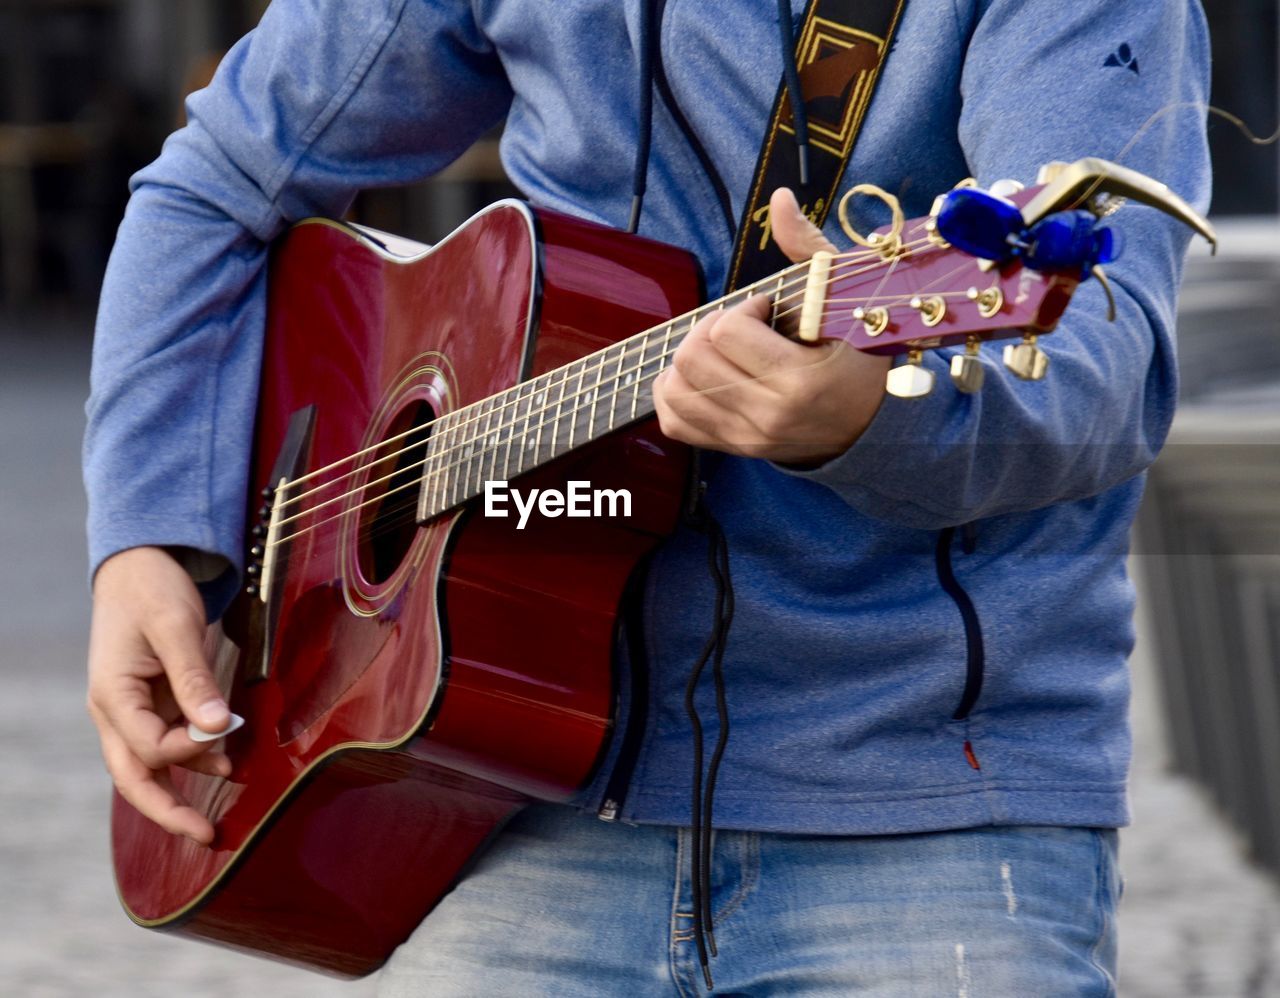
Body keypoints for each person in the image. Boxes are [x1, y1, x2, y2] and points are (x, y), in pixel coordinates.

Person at [84, 1, 1211, 994]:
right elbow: (213, 187)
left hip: (928, 812)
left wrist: (868, 422)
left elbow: (1101, 369)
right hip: (505, 792)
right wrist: (147, 533)